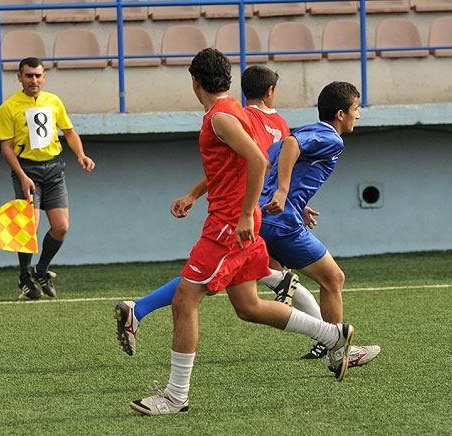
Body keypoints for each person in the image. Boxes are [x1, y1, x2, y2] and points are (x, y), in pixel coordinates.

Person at [129, 49, 354, 416]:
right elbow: (249, 161)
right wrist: (200, 196)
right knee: (248, 307)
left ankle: (175, 396)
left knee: (186, 300)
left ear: (195, 82)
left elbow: (259, 160)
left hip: (227, 225)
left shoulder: (220, 116)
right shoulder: (233, 110)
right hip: (238, 221)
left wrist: (247, 213)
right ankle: (332, 334)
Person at [260, 81, 379, 362]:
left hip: (266, 217)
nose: (358, 114)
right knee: (333, 278)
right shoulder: (331, 139)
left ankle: (282, 283)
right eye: (355, 109)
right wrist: (284, 192)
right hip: (282, 225)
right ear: (341, 114)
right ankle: (337, 351)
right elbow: (291, 146)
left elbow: (271, 161)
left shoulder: (308, 130)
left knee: (218, 282)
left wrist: (296, 202)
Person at [0, 57, 95, 300]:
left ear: (44, 77)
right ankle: (25, 276)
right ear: (19, 77)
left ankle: (41, 270)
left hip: (54, 169)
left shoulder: (54, 101)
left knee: (61, 226)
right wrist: (22, 176)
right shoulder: (8, 107)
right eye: (29, 76)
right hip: (27, 170)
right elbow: (6, 147)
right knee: (29, 227)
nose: (34, 80)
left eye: (38, 75)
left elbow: (69, 131)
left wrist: (81, 155)